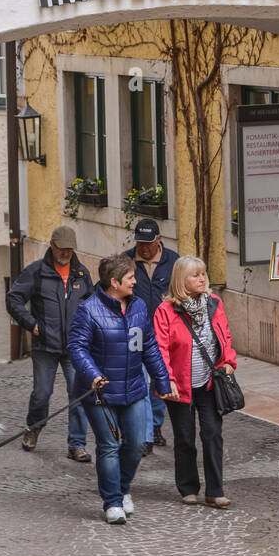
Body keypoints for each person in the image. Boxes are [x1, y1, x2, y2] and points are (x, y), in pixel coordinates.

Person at [68, 253, 172, 524]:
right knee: (109, 445)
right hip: (99, 393)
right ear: (114, 282)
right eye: (129, 278)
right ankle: (112, 501)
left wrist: (163, 381)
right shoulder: (88, 309)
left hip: (134, 388)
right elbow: (77, 347)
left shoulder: (138, 307)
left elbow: (149, 346)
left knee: (137, 444)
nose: (135, 282)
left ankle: (124, 488)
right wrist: (93, 374)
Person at [153, 256, 237, 509]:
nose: (201, 279)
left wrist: (229, 361)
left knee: (212, 434)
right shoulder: (166, 311)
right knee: (185, 437)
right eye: (195, 275)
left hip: (210, 383)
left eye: (203, 274)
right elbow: (160, 348)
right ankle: (188, 488)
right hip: (180, 385)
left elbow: (225, 335)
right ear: (181, 280)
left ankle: (215, 490)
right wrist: (167, 381)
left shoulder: (214, 303)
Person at [5, 225, 93, 461]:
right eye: (61, 249)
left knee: (78, 394)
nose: (65, 253)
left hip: (75, 346)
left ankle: (77, 444)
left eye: (69, 249)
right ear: (52, 246)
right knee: (42, 393)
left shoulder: (82, 274)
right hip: (45, 344)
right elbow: (13, 299)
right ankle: (33, 427)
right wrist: (32, 324)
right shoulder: (36, 271)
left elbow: (92, 305)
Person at [124, 218, 178, 450]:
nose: (143, 248)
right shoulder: (125, 261)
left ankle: (155, 425)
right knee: (140, 385)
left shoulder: (174, 261)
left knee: (159, 384)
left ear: (159, 240)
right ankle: (145, 436)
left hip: (165, 335)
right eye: (140, 243)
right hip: (136, 334)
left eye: (148, 243)